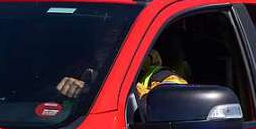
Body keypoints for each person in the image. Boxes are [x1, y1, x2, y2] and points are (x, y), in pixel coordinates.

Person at [55, 48, 186, 99]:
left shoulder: (167, 79)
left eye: (118, 46)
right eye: (105, 44)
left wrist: (92, 91)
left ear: (150, 54)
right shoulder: (86, 74)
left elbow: (166, 108)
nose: (107, 53)